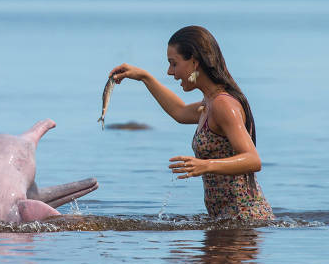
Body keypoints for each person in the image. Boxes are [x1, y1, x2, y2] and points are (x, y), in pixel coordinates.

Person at [110, 25, 274, 220]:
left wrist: (205, 165)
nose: (170, 72)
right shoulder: (209, 103)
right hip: (226, 220)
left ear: (195, 62)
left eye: (174, 63)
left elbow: (253, 160)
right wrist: (145, 78)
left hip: (245, 219)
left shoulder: (223, 104)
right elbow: (178, 111)